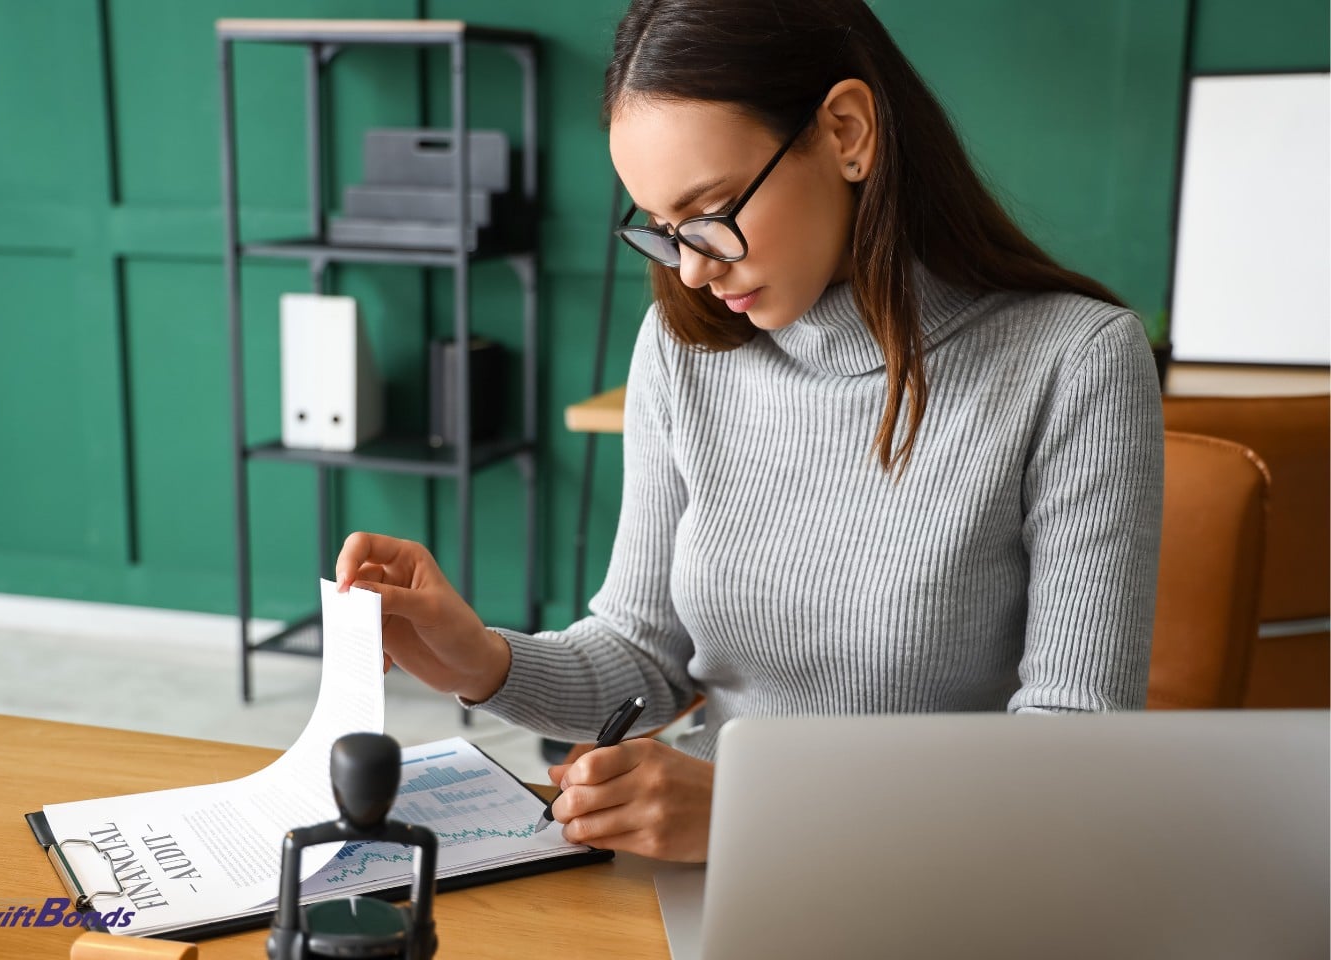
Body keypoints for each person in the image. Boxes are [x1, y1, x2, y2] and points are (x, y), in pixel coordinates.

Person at [336, 0, 1163, 863]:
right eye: (664, 231)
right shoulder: (683, 347)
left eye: (713, 211)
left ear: (847, 132)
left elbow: (1072, 758)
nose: (693, 270)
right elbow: (644, 655)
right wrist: (479, 659)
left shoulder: (1076, 361)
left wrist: (756, 813)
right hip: (701, 873)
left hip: (934, 884)